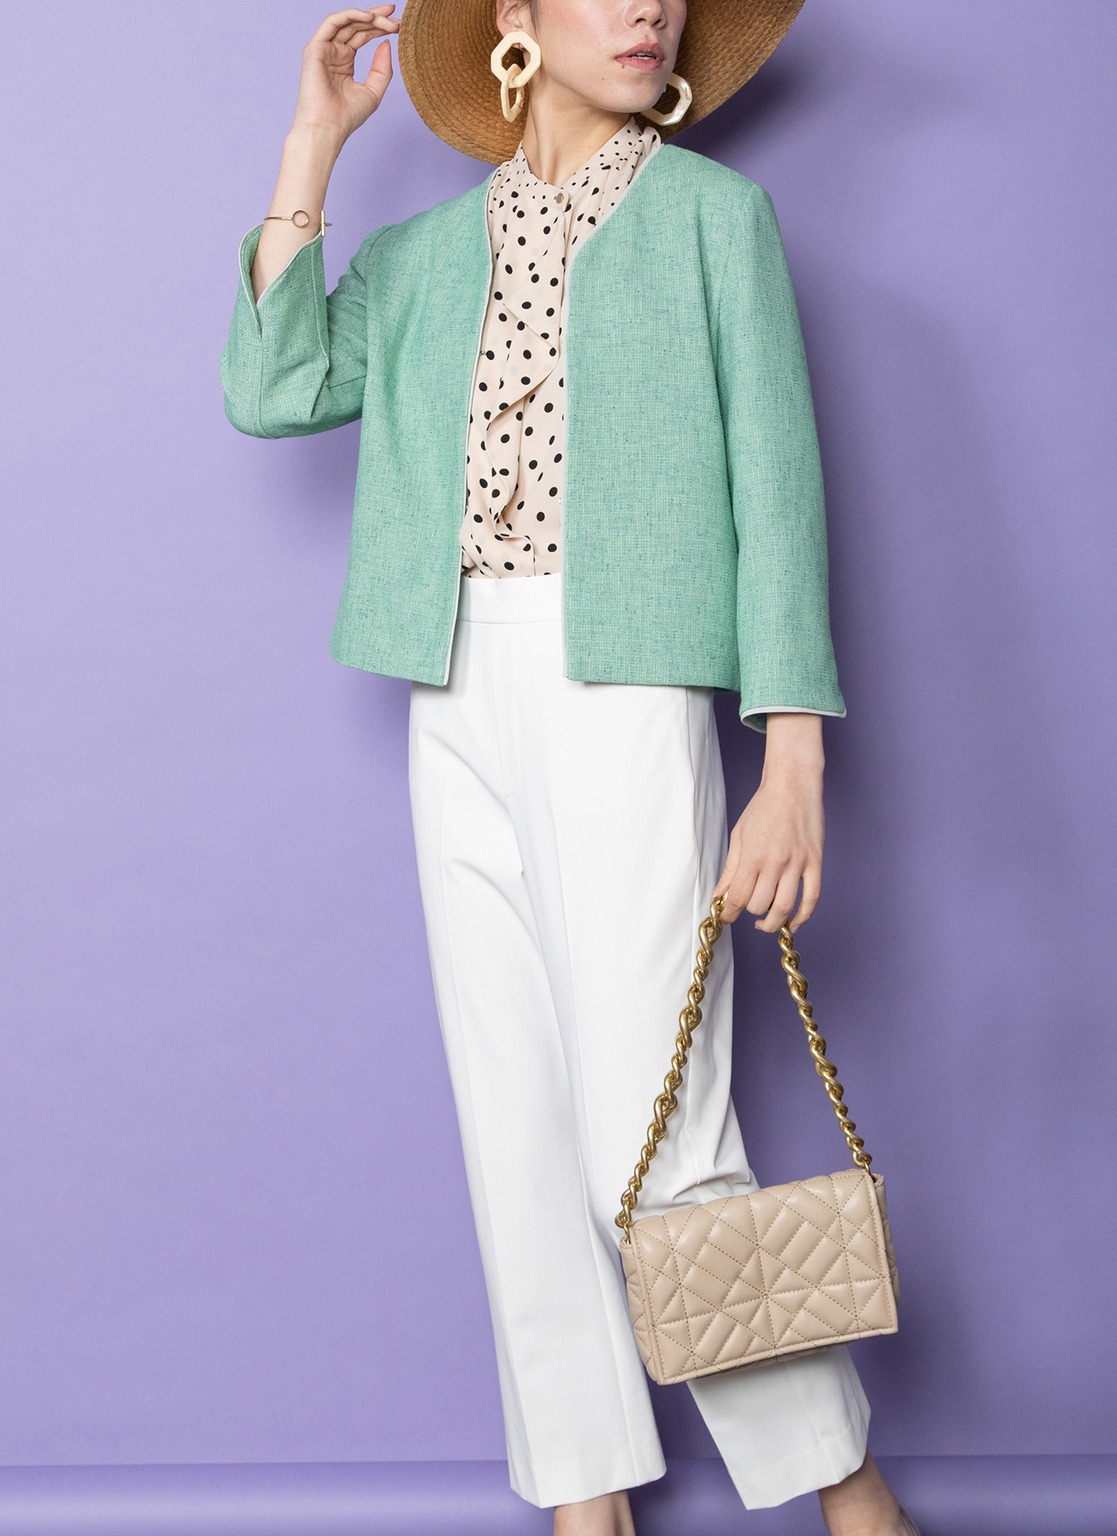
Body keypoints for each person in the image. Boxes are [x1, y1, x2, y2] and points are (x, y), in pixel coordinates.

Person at [220, 3, 921, 1532]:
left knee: (654, 1139)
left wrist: (791, 761)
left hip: (627, 683)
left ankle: (849, 1493)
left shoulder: (715, 221)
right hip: (451, 688)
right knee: (517, 1130)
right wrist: (312, 145)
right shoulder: (424, 258)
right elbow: (272, 391)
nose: (647, 8)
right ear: (516, 23)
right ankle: (584, 1501)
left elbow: (780, 496)